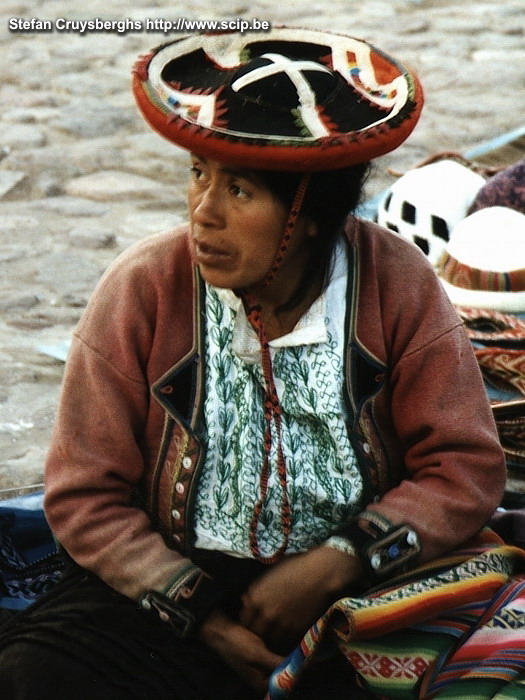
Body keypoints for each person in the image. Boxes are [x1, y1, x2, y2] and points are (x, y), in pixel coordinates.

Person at [0, 28, 508, 699]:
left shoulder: (397, 284)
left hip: (354, 590)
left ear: (308, 213)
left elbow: (462, 468)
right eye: (197, 175)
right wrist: (201, 614)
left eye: (238, 190)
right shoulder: (143, 288)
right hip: (168, 596)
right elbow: (85, 493)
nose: (202, 212)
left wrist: (341, 559)